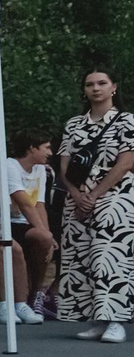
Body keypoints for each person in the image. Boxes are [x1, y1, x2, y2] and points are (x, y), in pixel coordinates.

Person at [57, 67, 134, 342]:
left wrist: (95, 194)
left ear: (114, 87)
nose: (96, 88)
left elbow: (126, 162)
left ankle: (116, 320)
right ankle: (95, 319)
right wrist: (77, 194)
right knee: (81, 256)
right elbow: (64, 164)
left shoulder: (127, 121)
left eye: (102, 83)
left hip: (115, 194)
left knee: (108, 255)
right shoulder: (74, 124)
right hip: (77, 196)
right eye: (90, 84)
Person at [0, 132, 55, 324]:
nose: (50, 152)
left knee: (44, 239)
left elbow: (39, 204)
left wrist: (47, 234)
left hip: (25, 222)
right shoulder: (9, 166)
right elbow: (24, 203)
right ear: (32, 148)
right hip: (4, 222)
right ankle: (15, 300)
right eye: (47, 147)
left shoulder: (40, 170)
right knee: (42, 237)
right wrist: (44, 234)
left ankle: (35, 295)